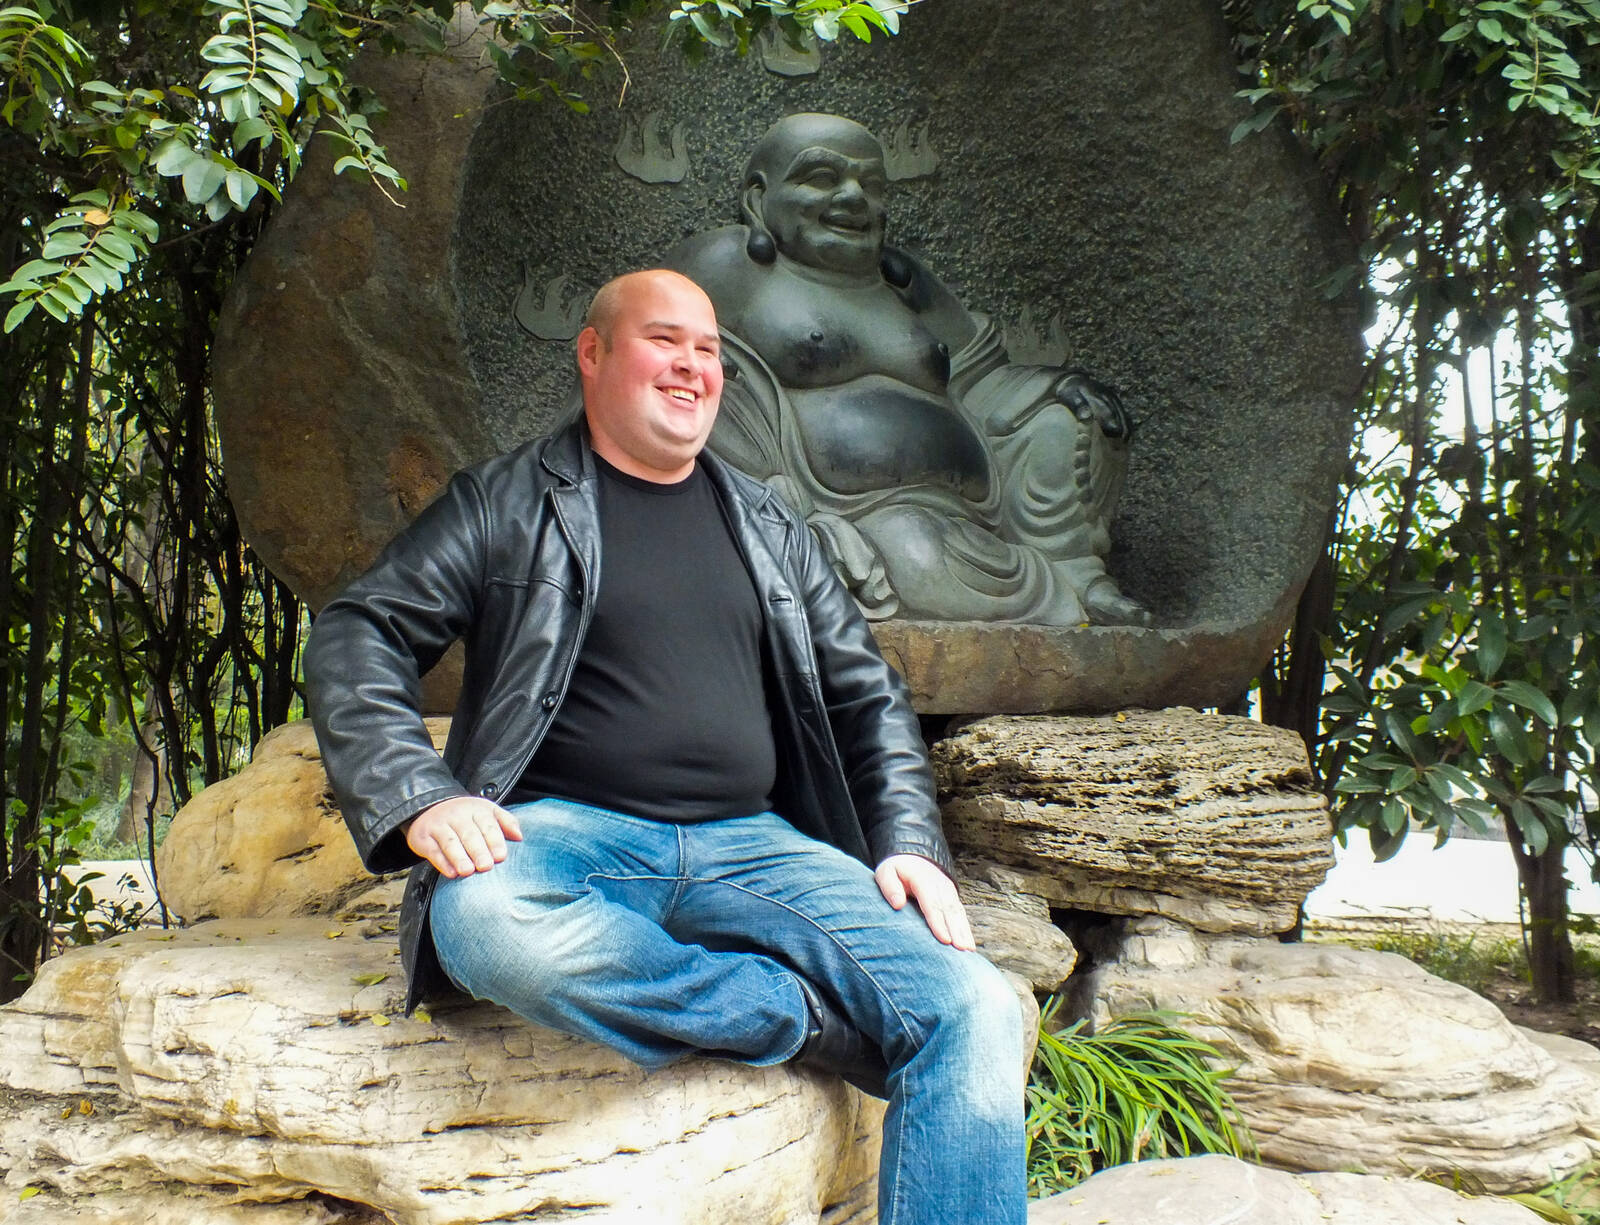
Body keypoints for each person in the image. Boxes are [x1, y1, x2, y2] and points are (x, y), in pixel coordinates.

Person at [305, 268, 1026, 1225]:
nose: (692, 365)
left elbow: (866, 691)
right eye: (665, 340)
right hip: (564, 840)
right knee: (482, 922)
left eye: (709, 349)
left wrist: (906, 841)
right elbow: (360, 631)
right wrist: (420, 792)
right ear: (593, 353)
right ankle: (793, 1015)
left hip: (757, 850)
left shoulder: (770, 524)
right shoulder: (506, 501)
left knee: (975, 1006)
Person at [666, 112, 1151, 627]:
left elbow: (978, 380)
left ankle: (1074, 573)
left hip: (977, 509)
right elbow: (640, 340)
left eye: (871, 185)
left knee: (1062, 418)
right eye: (823, 178)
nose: (853, 196)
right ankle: (820, 552)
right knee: (914, 553)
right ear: (758, 199)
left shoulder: (905, 283)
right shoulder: (729, 265)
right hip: (842, 509)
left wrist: (1051, 387)